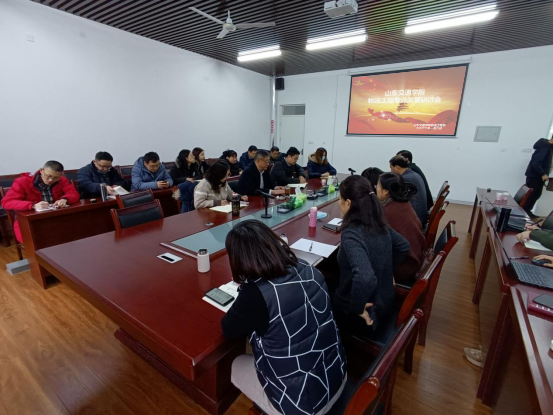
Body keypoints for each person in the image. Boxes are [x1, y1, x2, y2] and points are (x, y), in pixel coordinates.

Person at [222, 220, 347, 415]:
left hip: (303, 406)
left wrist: (245, 291)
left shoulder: (254, 294)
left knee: (236, 364)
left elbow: (228, 330)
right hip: (337, 377)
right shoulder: (308, 268)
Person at [332, 175, 409, 336]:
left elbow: (365, 277)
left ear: (348, 203)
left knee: (322, 293)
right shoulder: (378, 221)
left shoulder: (352, 232)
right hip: (385, 300)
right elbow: (403, 246)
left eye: (340, 199)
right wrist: (387, 272)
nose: (339, 203)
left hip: (369, 312)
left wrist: (357, 307)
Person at [1, 161, 80, 243]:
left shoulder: (62, 180)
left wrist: (65, 199)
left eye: (55, 178)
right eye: (48, 176)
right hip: (30, 222)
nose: (50, 180)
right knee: (44, 241)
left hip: (55, 217)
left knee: (74, 234)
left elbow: (73, 194)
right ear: (41, 170)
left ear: (61, 175)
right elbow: (6, 202)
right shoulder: (23, 182)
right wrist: (32, 205)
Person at [376, 173, 426, 282]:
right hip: (415, 257)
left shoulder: (388, 212)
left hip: (404, 267)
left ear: (386, 191)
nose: (376, 189)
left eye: (378, 186)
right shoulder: (403, 202)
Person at [389, 155, 428, 226]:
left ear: (397, 167)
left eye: (391, 168)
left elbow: (398, 198)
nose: (391, 171)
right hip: (421, 214)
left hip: (416, 219)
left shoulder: (405, 179)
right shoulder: (414, 174)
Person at [524, 135, 553, 217]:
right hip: (535, 176)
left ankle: (527, 212)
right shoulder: (545, 148)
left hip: (536, 176)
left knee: (536, 194)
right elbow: (536, 163)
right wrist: (543, 174)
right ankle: (525, 213)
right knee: (532, 195)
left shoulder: (547, 146)